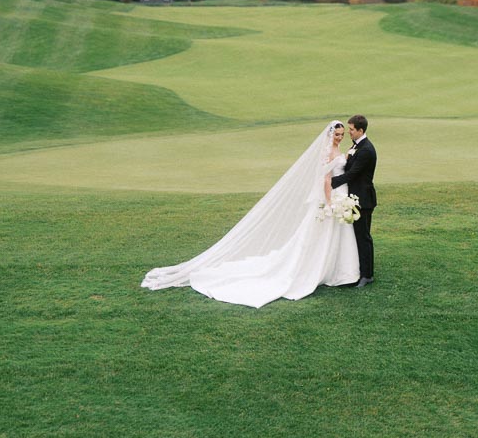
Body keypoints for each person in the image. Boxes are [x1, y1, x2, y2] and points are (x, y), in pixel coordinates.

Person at [141, 120, 359, 308]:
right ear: (330, 134)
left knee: (332, 233)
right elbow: (326, 180)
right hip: (331, 197)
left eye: (342, 135)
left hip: (340, 194)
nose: (339, 138)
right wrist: (329, 203)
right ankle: (319, 269)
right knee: (320, 234)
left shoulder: (338, 150)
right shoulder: (328, 151)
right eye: (337, 134)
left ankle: (333, 269)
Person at [330, 114, 377, 288]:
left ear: (360, 130)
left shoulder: (366, 150)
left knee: (364, 237)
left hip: (363, 200)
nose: (348, 132)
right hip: (353, 197)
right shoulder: (357, 145)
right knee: (357, 236)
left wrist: (332, 183)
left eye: (351, 130)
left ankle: (367, 275)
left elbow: (352, 174)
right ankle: (359, 270)